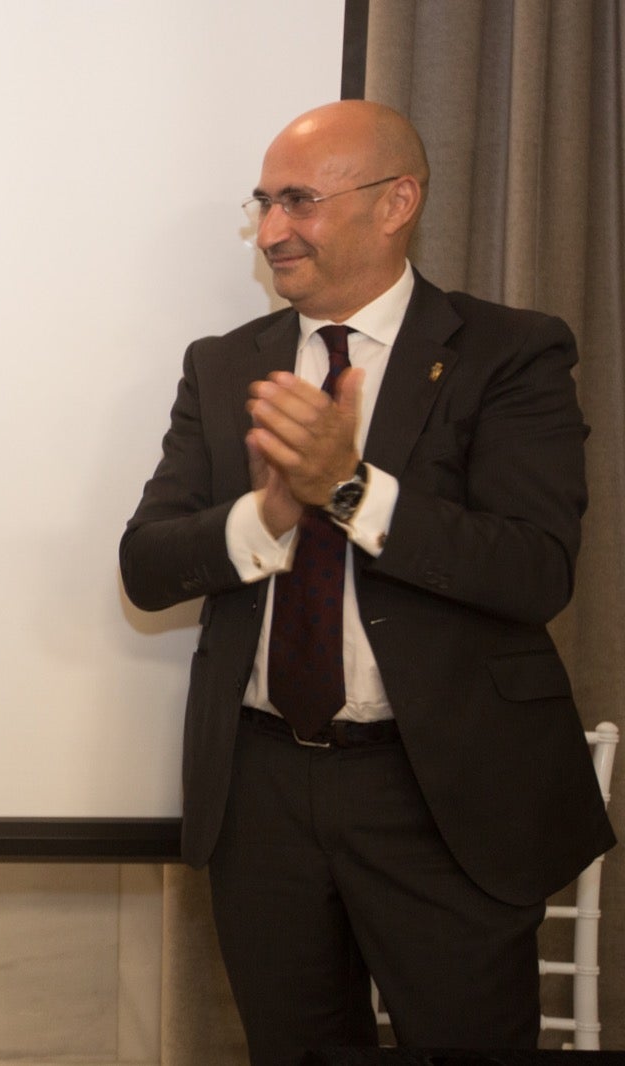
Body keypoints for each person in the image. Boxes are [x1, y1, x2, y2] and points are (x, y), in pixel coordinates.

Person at [120, 100, 616, 1064]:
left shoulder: (510, 352)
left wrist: (346, 489)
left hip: (440, 791)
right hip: (262, 788)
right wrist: (267, 516)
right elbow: (147, 565)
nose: (272, 230)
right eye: (264, 202)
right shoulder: (225, 366)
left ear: (397, 203)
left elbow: (535, 569)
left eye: (299, 201)